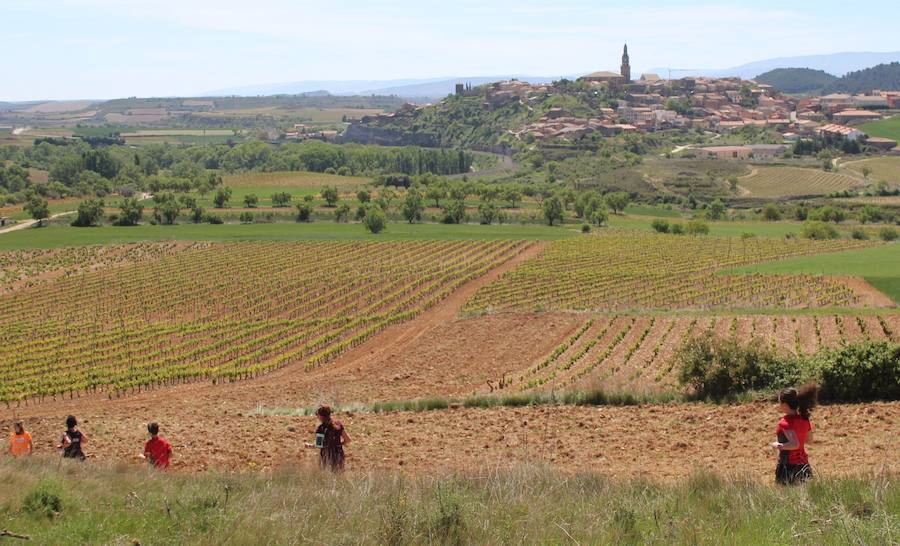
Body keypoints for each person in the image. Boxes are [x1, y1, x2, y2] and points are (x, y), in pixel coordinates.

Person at [770, 383, 819, 485]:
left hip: (788, 467)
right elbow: (809, 441)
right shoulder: (804, 420)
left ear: (784, 405)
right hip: (804, 465)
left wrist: (777, 445)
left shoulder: (784, 422)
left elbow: (794, 444)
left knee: (783, 499)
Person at [304, 405, 350, 471]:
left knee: (326, 478)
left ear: (321, 416)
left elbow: (319, 445)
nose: (317, 417)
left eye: (317, 415)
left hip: (326, 457)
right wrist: (338, 444)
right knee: (338, 477)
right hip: (338, 455)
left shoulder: (321, 428)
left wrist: (309, 446)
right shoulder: (338, 424)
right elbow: (348, 440)